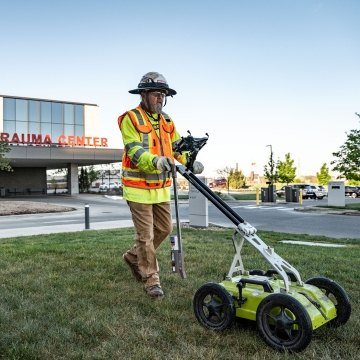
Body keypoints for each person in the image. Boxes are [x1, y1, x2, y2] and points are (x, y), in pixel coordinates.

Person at [118, 72, 204, 299]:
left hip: (160, 188)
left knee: (165, 229)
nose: (160, 99)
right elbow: (135, 150)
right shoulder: (131, 118)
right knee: (145, 235)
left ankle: (133, 256)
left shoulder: (167, 121)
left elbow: (177, 148)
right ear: (144, 95)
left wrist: (191, 162)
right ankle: (151, 279)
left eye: (163, 95)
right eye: (157, 94)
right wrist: (155, 161)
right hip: (137, 188)